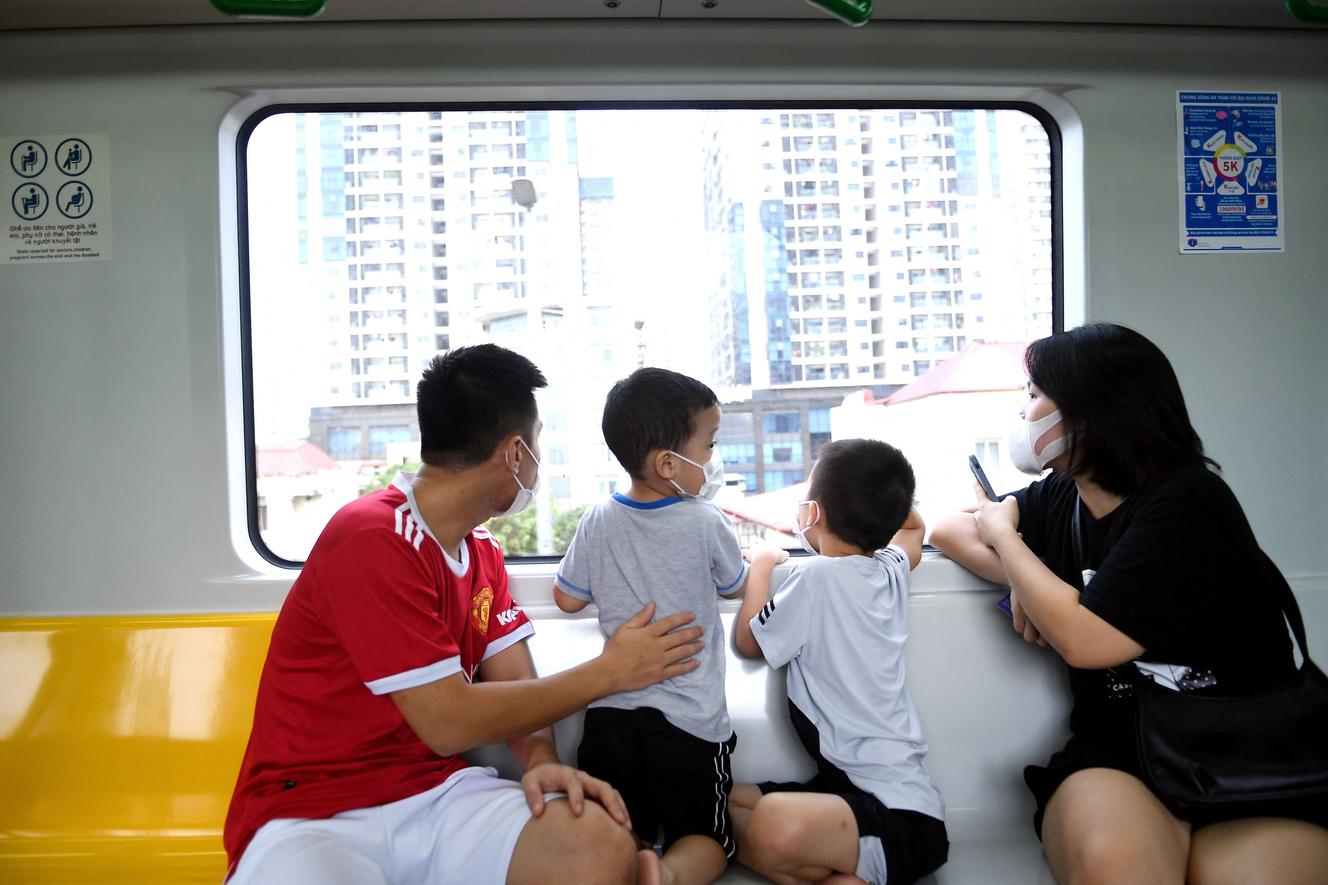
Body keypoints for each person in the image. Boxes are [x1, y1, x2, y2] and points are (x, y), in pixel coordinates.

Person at [224, 345, 705, 885]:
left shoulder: (481, 553)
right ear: (515, 453)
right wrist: (610, 672)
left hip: (433, 794)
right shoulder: (371, 536)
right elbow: (447, 721)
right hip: (313, 810)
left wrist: (542, 759)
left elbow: (515, 680)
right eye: (539, 441)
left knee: (595, 844)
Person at [930, 323, 1328, 885]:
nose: (1024, 413)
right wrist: (1034, 582)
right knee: (1114, 867)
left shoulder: (1187, 503)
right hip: (1120, 749)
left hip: (1250, 752)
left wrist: (1014, 548)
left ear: (1093, 411)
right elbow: (949, 530)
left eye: (1035, 395)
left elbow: (1088, 640)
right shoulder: (1064, 496)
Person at [553, 367, 748, 885]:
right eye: (709, 445)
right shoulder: (706, 522)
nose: (713, 459)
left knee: (621, 831)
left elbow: (566, 600)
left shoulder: (597, 519)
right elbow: (735, 586)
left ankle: (634, 861)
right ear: (668, 463)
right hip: (688, 725)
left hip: (610, 722)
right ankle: (668, 875)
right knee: (705, 840)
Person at [732, 439, 949, 885]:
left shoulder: (816, 577)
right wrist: (885, 503)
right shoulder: (888, 569)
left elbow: (751, 641)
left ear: (813, 512)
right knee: (724, 799)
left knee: (768, 820)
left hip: (896, 816)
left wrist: (762, 564)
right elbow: (914, 528)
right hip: (852, 798)